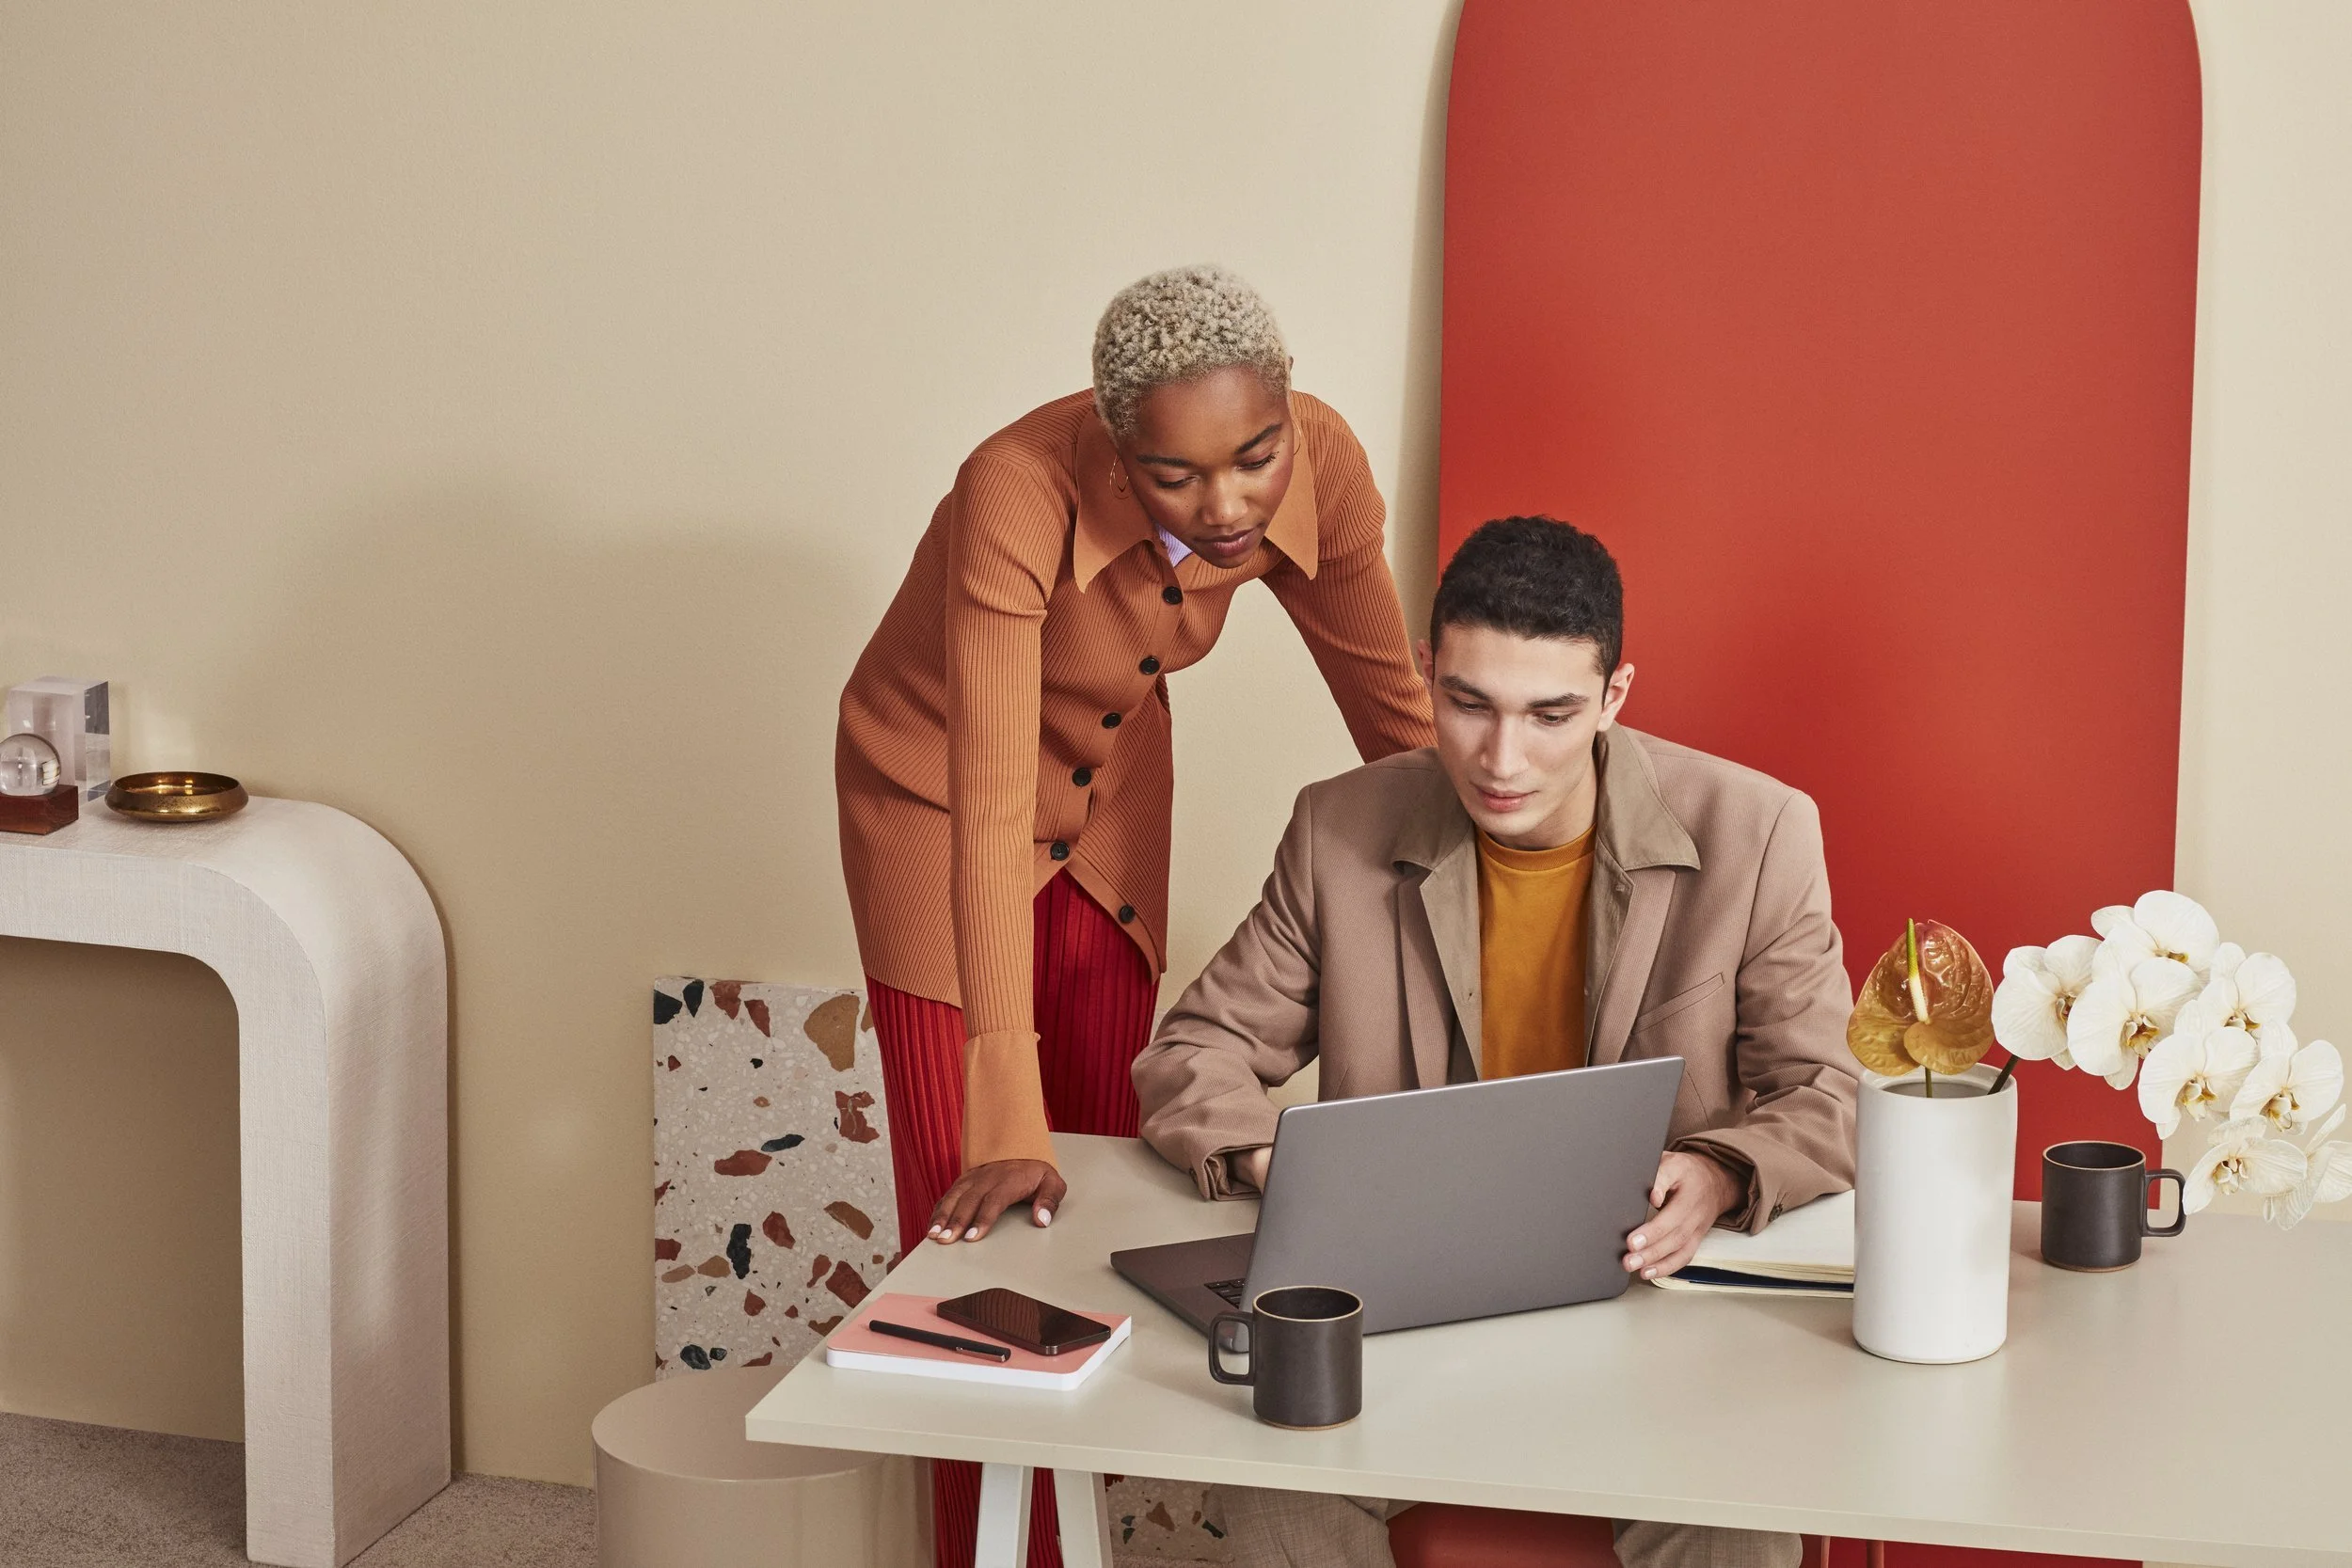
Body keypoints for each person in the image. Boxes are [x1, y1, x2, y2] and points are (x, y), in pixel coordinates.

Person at [835, 264, 1433, 1568]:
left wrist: (1521, 855)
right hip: (937, 800)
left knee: (1101, 1201)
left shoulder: (1318, 459)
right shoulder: (1014, 486)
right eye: (1176, 476)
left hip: (1109, 794)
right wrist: (1002, 1096)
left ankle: (1084, 1536)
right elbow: (989, 794)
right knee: (975, 1234)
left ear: (1287, 415)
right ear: (1117, 453)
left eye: (1256, 455)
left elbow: (1395, 714)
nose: (1228, 506)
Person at [1132, 515, 1860, 1568]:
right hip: (1401, 1312)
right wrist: (1271, 1158)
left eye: (1549, 713)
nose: (1500, 757)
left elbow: (1828, 1090)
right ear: (1428, 672)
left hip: (1649, 1308)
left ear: (1615, 696)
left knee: (1738, 1519)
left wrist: (1715, 1168)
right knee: (1271, 1503)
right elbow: (1195, 1048)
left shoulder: (1760, 828)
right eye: (1467, 704)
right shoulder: (1337, 824)